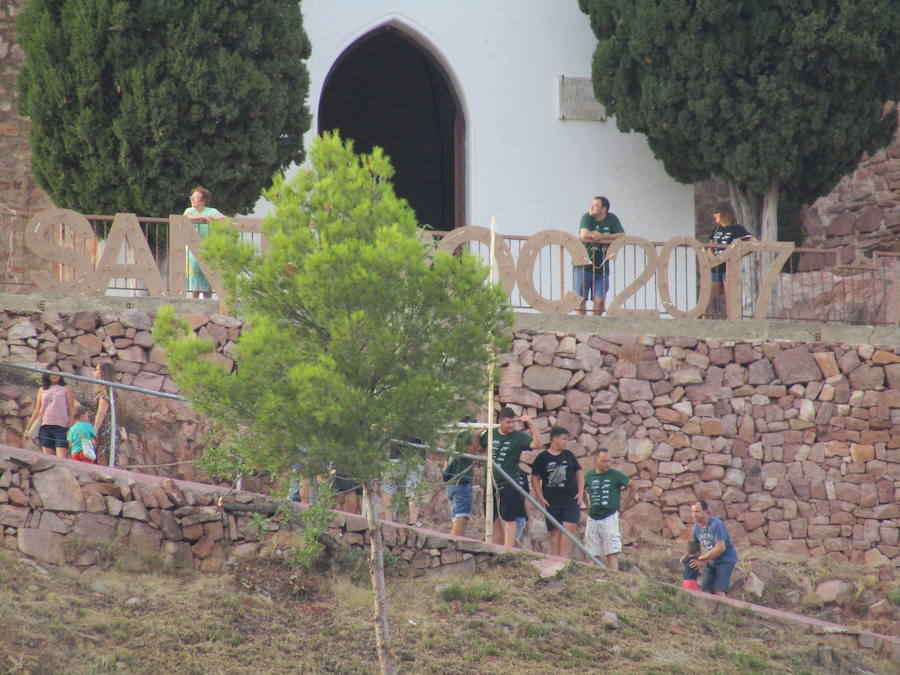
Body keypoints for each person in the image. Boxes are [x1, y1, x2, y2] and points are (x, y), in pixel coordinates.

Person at [480, 407, 541, 547]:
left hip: (509, 482)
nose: (512, 425)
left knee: (509, 518)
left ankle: (508, 551)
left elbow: (537, 444)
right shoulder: (491, 434)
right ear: (500, 421)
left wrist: (531, 424)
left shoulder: (518, 437)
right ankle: (497, 548)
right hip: (490, 482)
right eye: (508, 422)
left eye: (513, 422)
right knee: (492, 517)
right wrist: (477, 433)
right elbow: (477, 447)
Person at [531, 426, 584, 558]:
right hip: (551, 501)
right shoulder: (542, 457)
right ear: (554, 439)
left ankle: (564, 557)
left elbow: (579, 472)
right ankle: (555, 558)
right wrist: (539, 497)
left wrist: (581, 491)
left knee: (569, 526)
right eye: (564, 439)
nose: (566, 442)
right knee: (555, 532)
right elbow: (535, 478)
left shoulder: (569, 455)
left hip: (570, 500)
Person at [574, 196, 625, 316]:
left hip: (602, 267)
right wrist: (594, 235)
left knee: (600, 300)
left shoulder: (612, 219)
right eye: (591, 204)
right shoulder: (587, 217)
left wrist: (602, 236)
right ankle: (581, 327)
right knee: (579, 300)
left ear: (604, 209)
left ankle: (594, 325)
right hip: (583, 265)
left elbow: (622, 235)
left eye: (595, 206)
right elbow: (584, 236)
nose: (591, 207)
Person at [704, 203, 756, 318]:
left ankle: (731, 320)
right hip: (715, 267)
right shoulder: (717, 229)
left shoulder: (737, 229)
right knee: (707, 295)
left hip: (729, 268)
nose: (715, 216)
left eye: (717, 213)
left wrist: (736, 255)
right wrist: (715, 260)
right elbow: (709, 247)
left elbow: (754, 243)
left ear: (725, 214)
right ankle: (705, 319)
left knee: (730, 297)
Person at [583, 448, 631, 570]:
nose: (607, 464)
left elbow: (633, 486)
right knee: (592, 551)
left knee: (611, 551)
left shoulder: (615, 475)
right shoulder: (589, 475)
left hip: (609, 515)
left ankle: (614, 578)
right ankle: (593, 577)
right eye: (604, 461)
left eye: (609, 461)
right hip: (593, 517)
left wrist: (623, 506)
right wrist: (587, 505)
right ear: (596, 460)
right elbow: (581, 488)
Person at [183, 186, 226, 299]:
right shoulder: (189, 210)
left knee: (208, 272)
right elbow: (185, 218)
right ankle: (194, 300)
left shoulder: (212, 211)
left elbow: (224, 219)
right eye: (192, 197)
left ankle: (208, 301)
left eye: (195, 197)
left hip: (207, 247)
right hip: (193, 247)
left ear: (203, 200)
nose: (192, 199)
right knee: (195, 272)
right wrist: (203, 217)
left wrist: (212, 218)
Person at [689, 500, 739, 596]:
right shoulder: (695, 528)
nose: (694, 514)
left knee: (718, 591)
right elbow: (693, 550)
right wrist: (688, 560)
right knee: (704, 591)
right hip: (711, 560)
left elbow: (721, 548)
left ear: (705, 511)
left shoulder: (716, 524)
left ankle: (723, 610)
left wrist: (702, 559)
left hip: (725, 560)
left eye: (697, 511)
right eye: (693, 512)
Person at [23, 366, 74, 458]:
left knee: (62, 456)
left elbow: (71, 409)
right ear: (47, 375)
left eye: (57, 372)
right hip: (44, 425)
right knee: (48, 456)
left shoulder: (66, 388)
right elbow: (37, 410)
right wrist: (28, 428)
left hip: (61, 426)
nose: (55, 375)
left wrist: (70, 426)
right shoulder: (42, 389)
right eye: (52, 372)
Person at [442, 427, 477, 537]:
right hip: (462, 483)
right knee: (462, 518)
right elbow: (472, 451)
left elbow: (445, 467)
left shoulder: (452, 441)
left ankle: (453, 543)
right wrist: (476, 435)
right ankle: (452, 545)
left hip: (451, 485)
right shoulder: (466, 435)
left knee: (456, 519)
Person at [92, 362, 118, 467]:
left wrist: (94, 431)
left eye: (96, 369)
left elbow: (101, 413)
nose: (94, 372)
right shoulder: (107, 390)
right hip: (106, 429)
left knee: (102, 456)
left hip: (104, 430)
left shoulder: (105, 392)